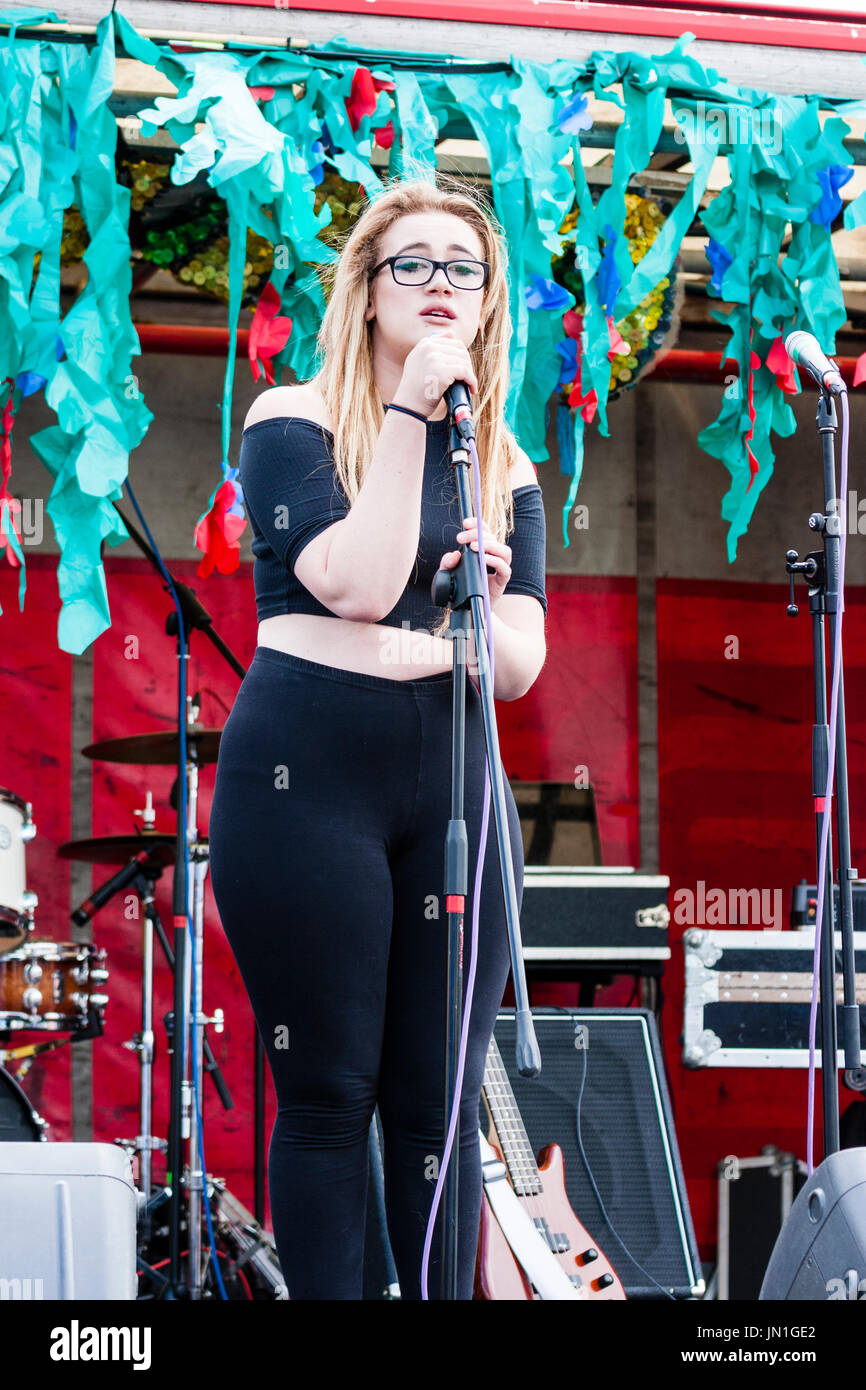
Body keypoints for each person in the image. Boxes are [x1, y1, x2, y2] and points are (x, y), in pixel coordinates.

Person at [208, 173, 548, 1300]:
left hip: (451, 769)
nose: (440, 284)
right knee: (327, 1088)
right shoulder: (290, 421)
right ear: (366, 292)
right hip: (311, 769)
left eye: (464, 268)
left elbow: (518, 667)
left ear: (490, 301)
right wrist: (408, 410)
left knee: (435, 1098)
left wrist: (486, 594)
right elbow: (351, 584)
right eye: (413, 264)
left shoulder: (501, 464)